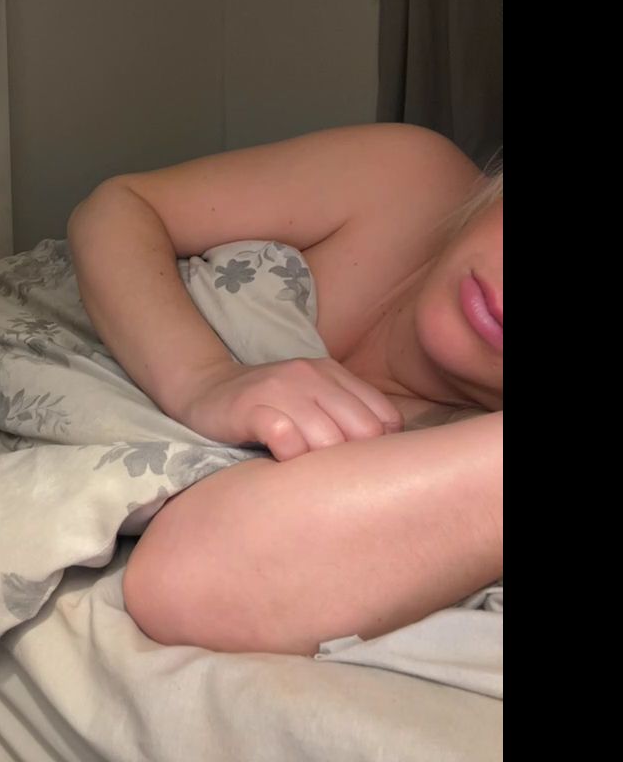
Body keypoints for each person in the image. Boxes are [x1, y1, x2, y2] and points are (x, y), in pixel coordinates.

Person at [67, 122, 502, 656]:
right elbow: (118, 206)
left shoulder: (468, 460)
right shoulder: (414, 180)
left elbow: (189, 583)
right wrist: (201, 378)